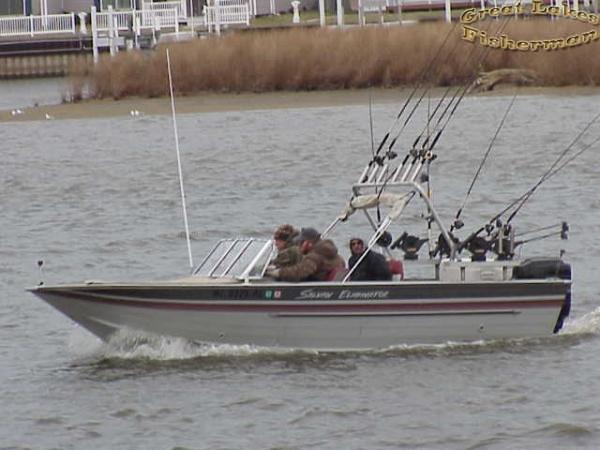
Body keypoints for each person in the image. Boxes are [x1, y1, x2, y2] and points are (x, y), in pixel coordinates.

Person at [266, 227, 345, 282]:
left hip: (315, 291)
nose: (299, 245)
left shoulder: (315, 256)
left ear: (309, 243)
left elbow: (300, 271)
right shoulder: (333, 254)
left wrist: (278, 272)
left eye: (301, 242)